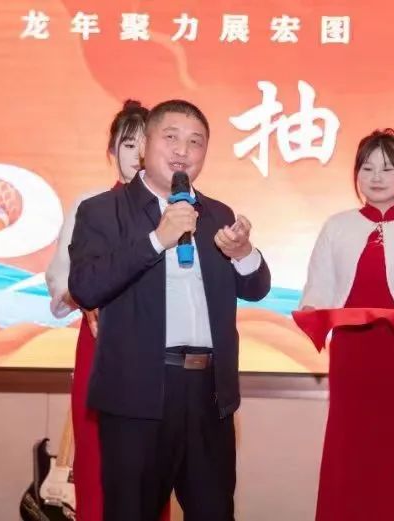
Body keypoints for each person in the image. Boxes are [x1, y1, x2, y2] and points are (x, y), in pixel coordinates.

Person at [67, 99, 271, 521]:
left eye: (196, 142)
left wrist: (243, 252)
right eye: (171, 137)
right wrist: (157, 239)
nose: (183, 150)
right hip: (137, 395)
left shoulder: (216, 214)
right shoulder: (103, 210)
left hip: (209, 393)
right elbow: (85, 287)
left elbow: (256, 288)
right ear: (144, 144)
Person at [300, 129, 394, 521]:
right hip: (351, 355)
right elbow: (319, 288)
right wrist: (312, 310)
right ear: (356, 174)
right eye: (367, 168)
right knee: (349, 443)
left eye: (387, 168)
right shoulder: (337, 226)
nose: (376, 177)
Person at [45, 99, 169, 521]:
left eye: (144, 144)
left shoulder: (172, 210)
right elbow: (62, 278)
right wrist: (84, 299)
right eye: (127, 144)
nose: (135, 154)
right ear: (111, 150)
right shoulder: (92, 205)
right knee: (98, 460)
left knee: (152, 464)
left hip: (156, 352)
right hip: (101, 346)